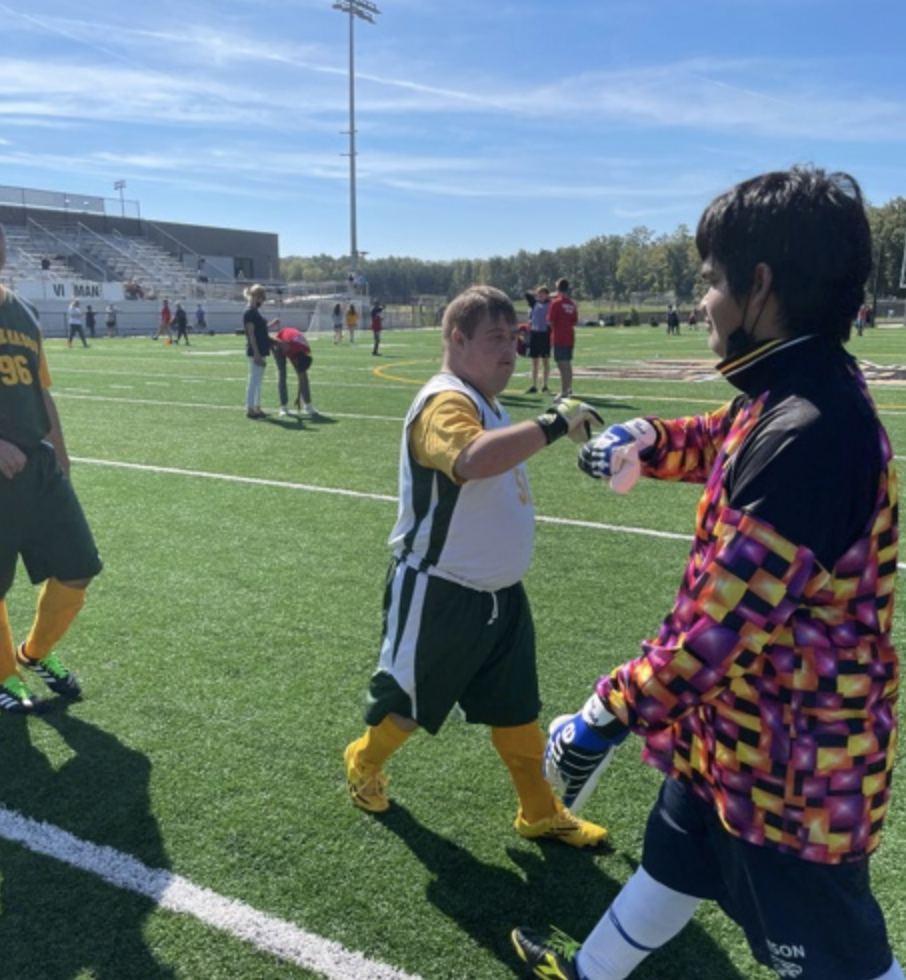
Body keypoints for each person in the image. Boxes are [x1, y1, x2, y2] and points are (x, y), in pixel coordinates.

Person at [512, 167, 903, 980]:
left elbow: (715, 635)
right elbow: (717, 435)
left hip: (792, 769)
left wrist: (603, 713)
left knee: (844, 964)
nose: (702, 303)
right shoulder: (789, 392)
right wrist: (647, 439)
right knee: (673, 863)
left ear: (759, 286)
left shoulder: (813, 431)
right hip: (737, 734)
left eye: (711, 281)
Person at [343, 285, 608, 850]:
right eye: (495, 338)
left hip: (500, 594)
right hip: (443, 591)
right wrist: (553, 423)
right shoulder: (444, 400)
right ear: (457, 340)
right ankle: (364, 760)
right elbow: (470, 459)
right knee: (408, 709)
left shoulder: (483, 398)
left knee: (517, 709)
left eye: (514, 338)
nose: (510, 350)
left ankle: (538, 812)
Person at [0, 223, 102, 713]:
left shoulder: (24, 311)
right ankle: (3, 675)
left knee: (79, 565)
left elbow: (40, 390)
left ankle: (34, 652)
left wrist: (61, 454)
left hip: (37, 467)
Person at [243, 284, 277, 419]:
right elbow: (251, 334)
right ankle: (250, 408)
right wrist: (256, 353)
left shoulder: (255, 311)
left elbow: (260, 330)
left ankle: (257, 407)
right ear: (255, 296)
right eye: (261, 298)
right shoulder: (249, 312)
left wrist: (271, 325)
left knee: (258, 381)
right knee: (253, 380)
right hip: (255, 351)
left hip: (261, 349)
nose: (262, 301)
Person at [271, 326, 318, 417]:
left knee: (304, 377)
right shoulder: (289, 347)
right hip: (279, 344)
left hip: (293, 345)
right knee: (282, 374)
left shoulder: (306, 350)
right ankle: (283, 406)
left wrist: (298, 397)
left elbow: (301, 375)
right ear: (295, 360)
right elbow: (276, 343)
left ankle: (308, 405)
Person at [547, 278, 578, 397]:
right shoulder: (571, 303)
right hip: (569, 336)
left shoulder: (556, 303)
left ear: (557, 288)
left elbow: (550, 321)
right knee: (567, 364)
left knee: (562, 365)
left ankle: (564, 390)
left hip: (559, 337)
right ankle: (568, 389)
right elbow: (574, 321)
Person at [526, 285, 552, 393]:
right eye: (539, 294)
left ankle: (545, 385)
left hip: (545, 334)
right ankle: (534, 385)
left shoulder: (550, 305)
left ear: (547, 295)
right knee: (534, 361)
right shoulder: (534, 304)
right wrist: (536, 293)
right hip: (535, 333)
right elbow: (527, 294)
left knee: (545, 361)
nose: (540, 296)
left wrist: (550, 296)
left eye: (543, 294)